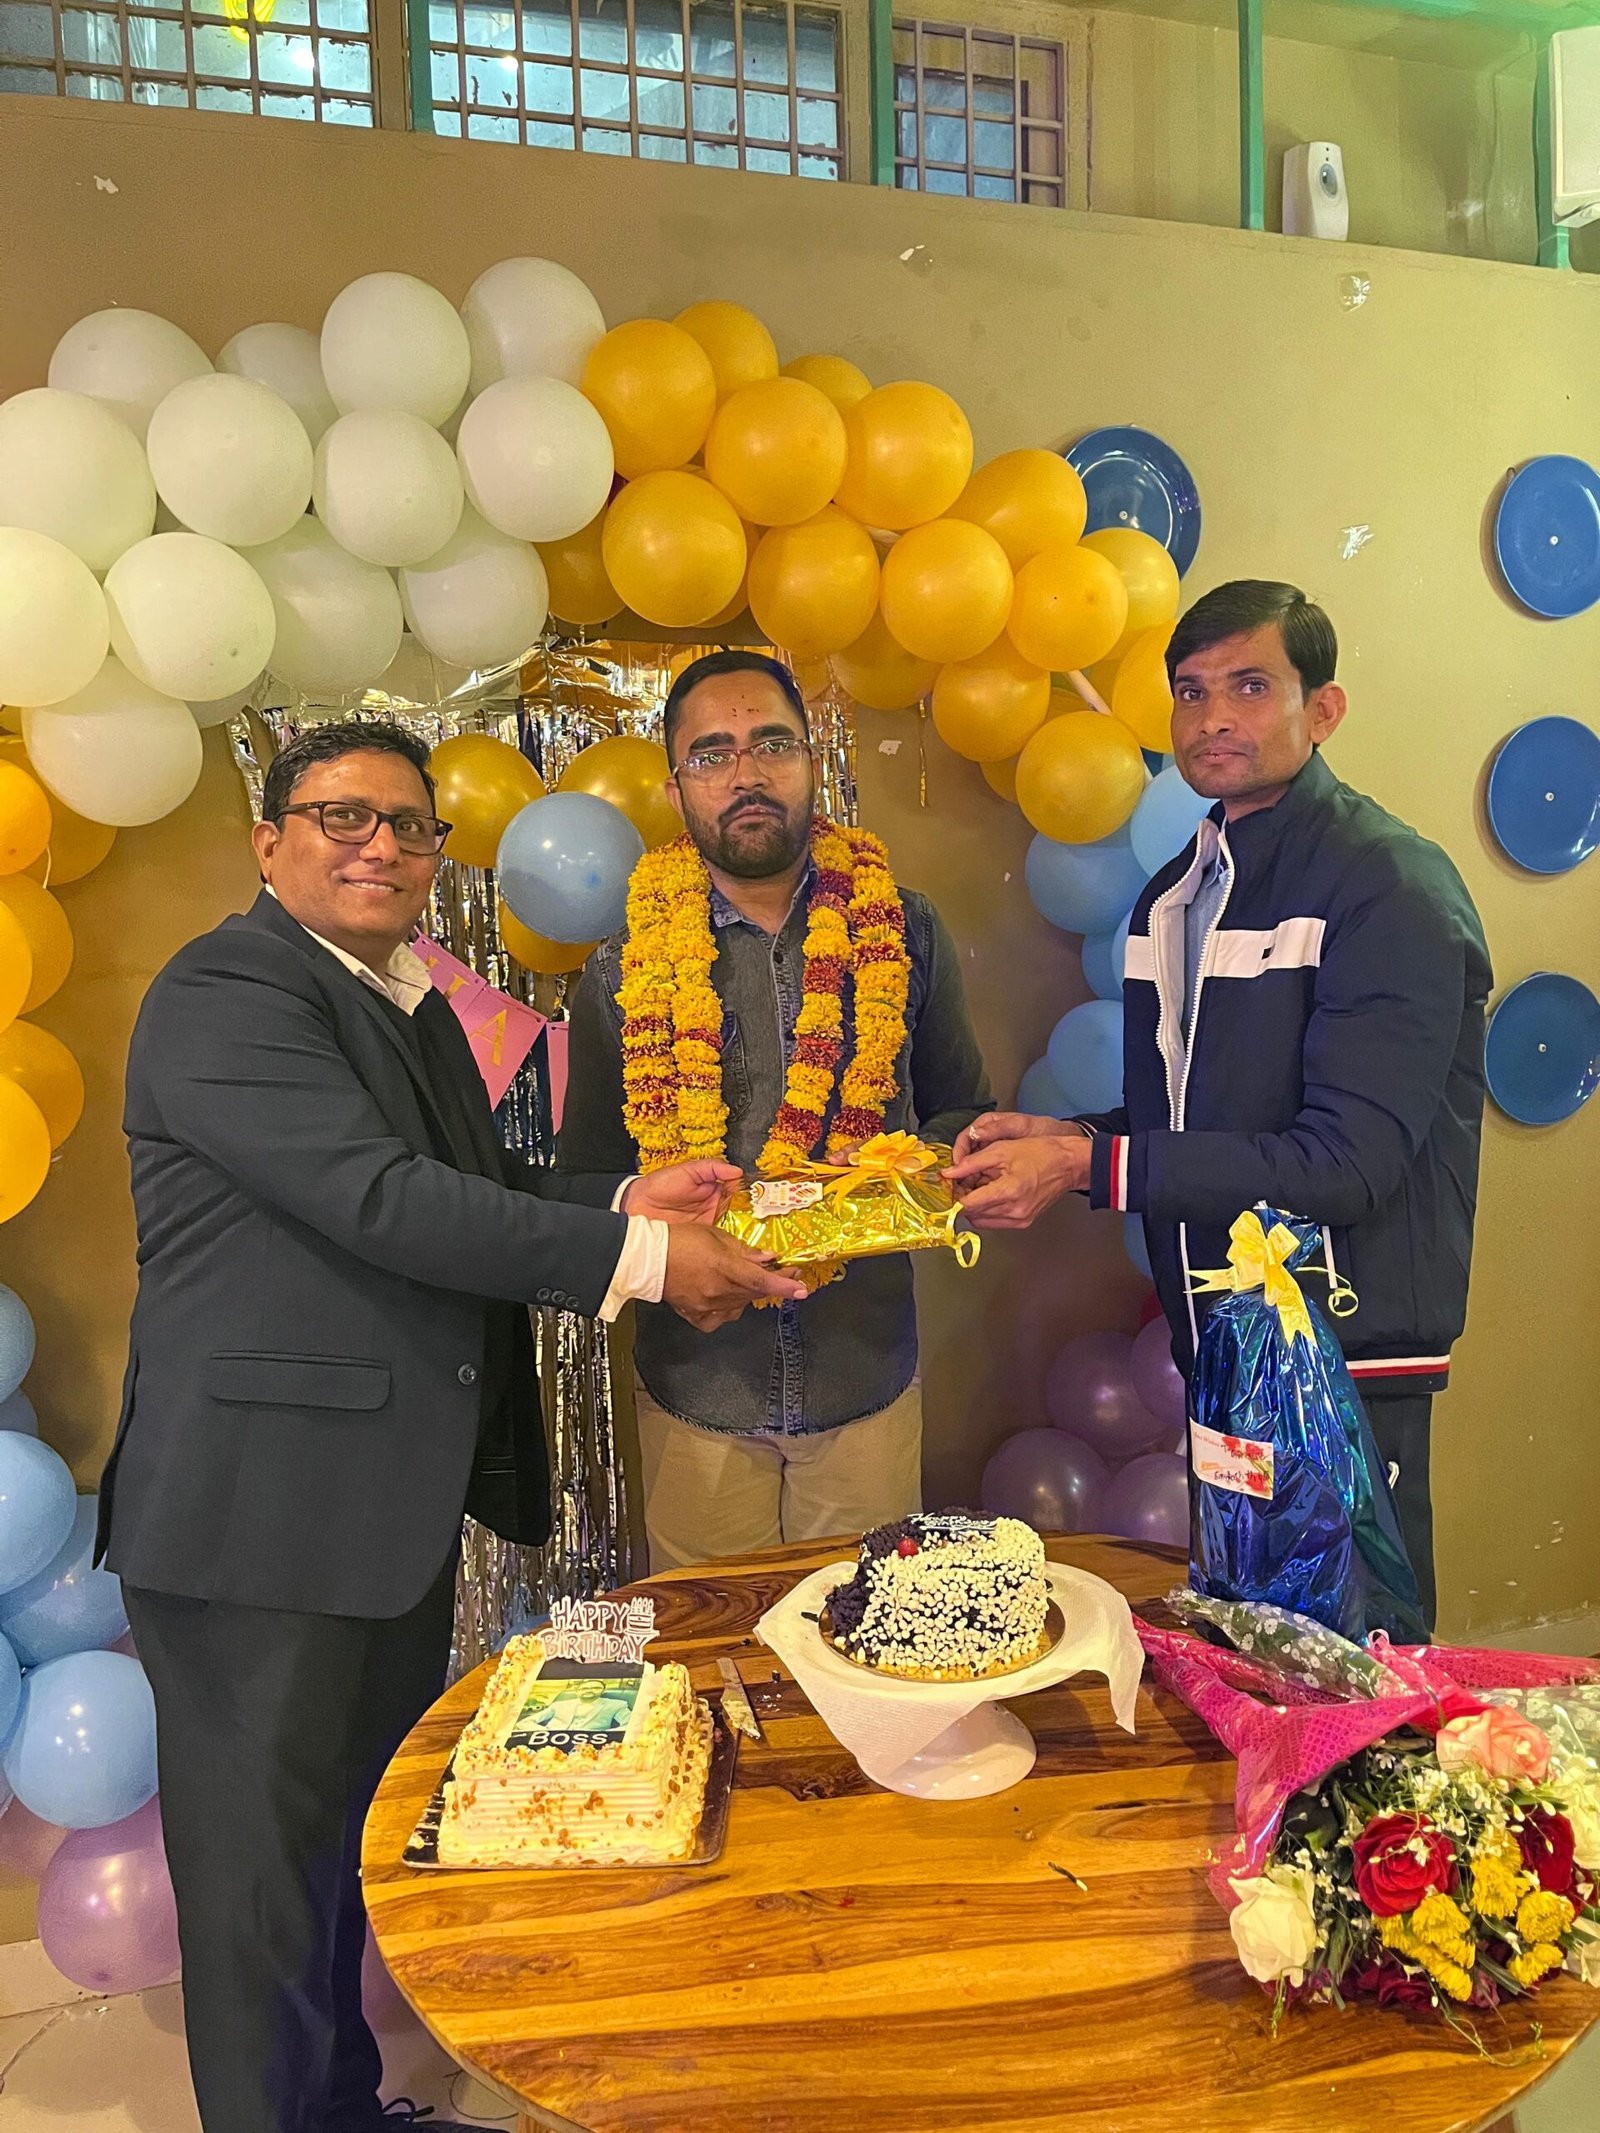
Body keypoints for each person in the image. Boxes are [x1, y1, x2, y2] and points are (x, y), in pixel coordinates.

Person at [97, 719, 804, 2133]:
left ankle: (345, 2112)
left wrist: (626, 1198)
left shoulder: (398, 995)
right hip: (255, 1523)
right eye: (343, 817)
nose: (382, 845)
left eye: (410, 825)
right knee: (261, 1900)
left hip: (368, 1518)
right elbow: (383, 1200)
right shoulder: (227, 990)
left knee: (329, 1865)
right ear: (270, 842)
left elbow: (481, 1180)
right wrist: (648, 1262)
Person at [948, 582, 1490, 1627]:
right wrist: (1072, 1137)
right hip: (1217, 1346)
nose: (1213, 718)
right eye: (1191, 692)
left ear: (1322, 710)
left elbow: (1344, 1164)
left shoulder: (1389, 885)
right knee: (1247, 1645)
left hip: (1343, 1356)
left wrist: (1090, 1167)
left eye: (1249, 686)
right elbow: (1193, 1123)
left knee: (1352, 1668)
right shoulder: (1176, 894)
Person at [559, 651, 994, 1569]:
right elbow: (587, 1179)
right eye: (712, 754)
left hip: (863, 1375)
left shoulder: (904, 928)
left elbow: (961, 1113)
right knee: (715, 1645)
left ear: (811, 761)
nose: (746, 774)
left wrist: (896, 1181)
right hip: (698, 1388)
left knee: (860, 1636)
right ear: (677, 789)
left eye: (772, 744)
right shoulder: (622, 967)